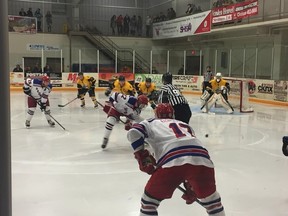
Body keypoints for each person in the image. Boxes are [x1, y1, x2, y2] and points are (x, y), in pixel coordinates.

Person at [127, 103, 226, 216]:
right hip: (203, 160)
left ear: (156, 115)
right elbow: (188, 156)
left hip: (171, 161)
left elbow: (134, 133)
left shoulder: (151, 122)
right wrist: (190, 185)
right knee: (212, 202)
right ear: (173, 115)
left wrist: (141, 156)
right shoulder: (184, 124)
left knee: (149, 202)